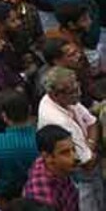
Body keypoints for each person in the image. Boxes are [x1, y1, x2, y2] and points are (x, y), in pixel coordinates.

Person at [37, 66, 104, 209]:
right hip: (79, 175)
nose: (78, 94)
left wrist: (89, 144)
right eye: (73, 91)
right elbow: (87, 163)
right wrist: (95, 150)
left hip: (85, 169)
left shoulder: (67, 99)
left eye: (78, 87)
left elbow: (92, 122)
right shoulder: (57, 119)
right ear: (55, 94)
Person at [22, 125, 80, 211]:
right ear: (48, 157)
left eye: (73, 149)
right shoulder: (42, 195)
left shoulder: (60, 170)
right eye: (65, 152)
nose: (75, 157)